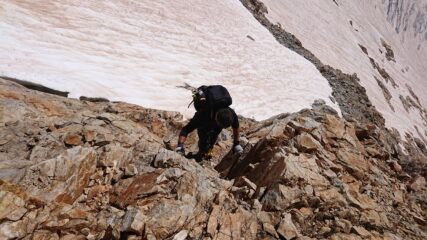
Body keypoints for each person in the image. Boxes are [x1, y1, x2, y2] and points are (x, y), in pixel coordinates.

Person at [175, 85, 243, 160]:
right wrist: (180, 147)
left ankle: (206, 152)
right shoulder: (203, 114)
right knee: (203, 134)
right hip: (206, 117)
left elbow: (236, 127)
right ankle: (202, 152)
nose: (222, 128)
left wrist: (236, 143)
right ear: (217, 119)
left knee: (214, 134)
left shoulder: (231, 114)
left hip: (212, 117)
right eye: (221, 125)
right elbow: (186, 130)